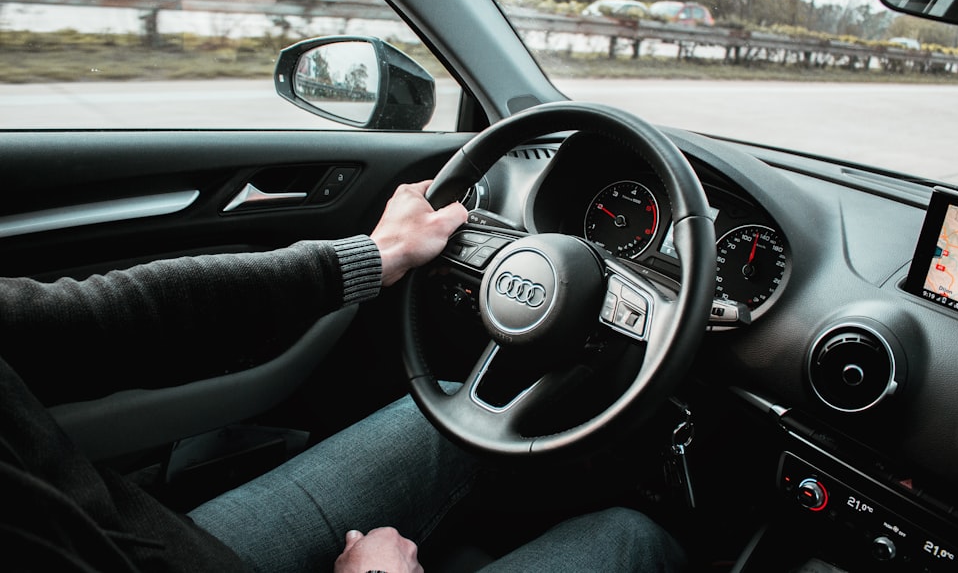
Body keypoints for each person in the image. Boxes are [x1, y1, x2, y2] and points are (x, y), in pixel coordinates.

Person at [0, 180, 685, 572]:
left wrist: (371, 255)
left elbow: (99, 319)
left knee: (451, 415)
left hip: (150, 545)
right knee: (634, 536)